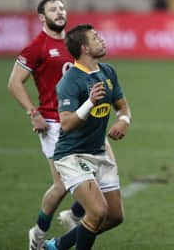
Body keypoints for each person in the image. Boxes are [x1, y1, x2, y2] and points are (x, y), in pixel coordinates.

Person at [43, 24, 132, 250]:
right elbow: (67, 124)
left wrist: (123, 120)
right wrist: (89, 103)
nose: (101, 40)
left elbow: (122, 106)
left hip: (99, 152)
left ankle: (57, 246)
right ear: (84, 48)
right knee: (97, 212)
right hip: (72, 155)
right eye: (95, 38)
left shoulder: (108, 71)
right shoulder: (70, 81)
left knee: (114, 217)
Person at [7, 0, 86, 250]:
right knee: (62, 185)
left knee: (102, 171)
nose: (60, 12)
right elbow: (14, 83)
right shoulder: (36, 47)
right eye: (53, 9)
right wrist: (33, 112)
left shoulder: (74, 42)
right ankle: (39, 233)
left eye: (62, 7)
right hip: (53, 123)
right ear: (42, 17)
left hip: (80, 119)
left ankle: (73, 215)